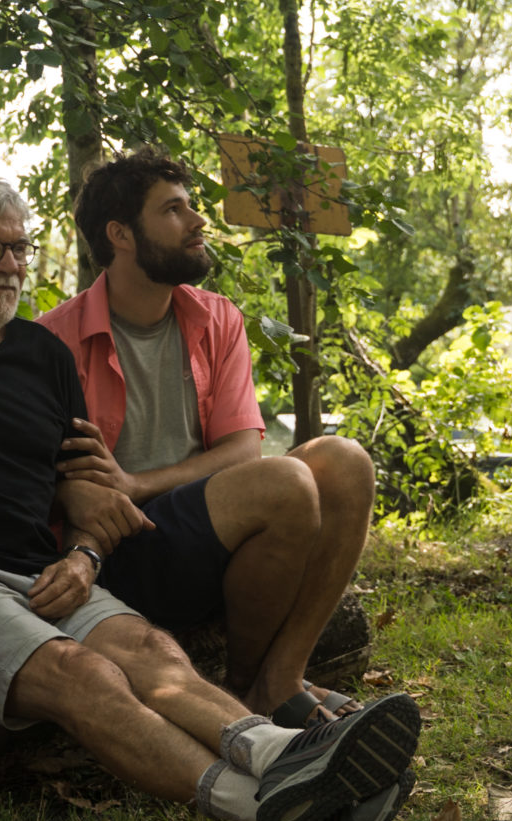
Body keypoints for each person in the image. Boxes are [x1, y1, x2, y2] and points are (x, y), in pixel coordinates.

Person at [0, 174, 420, 821]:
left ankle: (281, 753)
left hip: (51, 573)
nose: (9, 262)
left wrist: (88, 556)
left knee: (154, 652)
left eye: (18, 247)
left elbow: (87, 493)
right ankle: (271, 808)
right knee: (84, 674)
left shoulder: (42, 357)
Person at [39, 150, 381, 727]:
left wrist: (136, 480)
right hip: (115, 553)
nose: (199, 221)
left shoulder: (215, 317)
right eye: (174, 210)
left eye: (192, 206)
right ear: (120, 234)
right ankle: (249, 689)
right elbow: (49, 480)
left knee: (345, 460)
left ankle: (278, 679)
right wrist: (111, 496)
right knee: (286, 481)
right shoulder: (52, 341)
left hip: (201, 528)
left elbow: (243, 447)